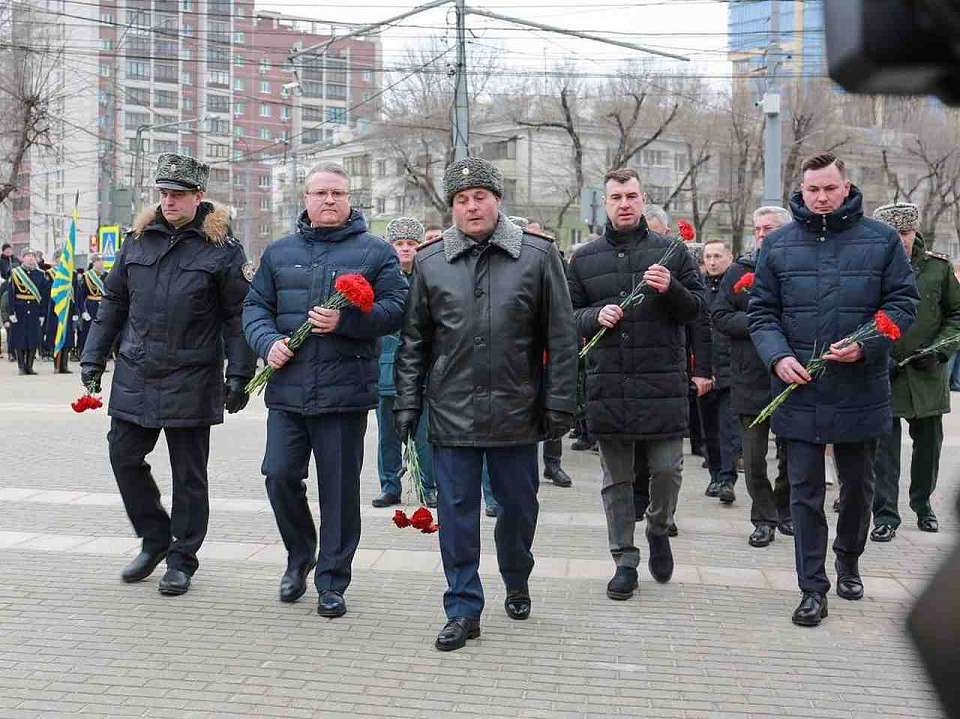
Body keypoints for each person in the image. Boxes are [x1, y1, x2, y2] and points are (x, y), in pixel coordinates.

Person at [394, 156, 577, 651]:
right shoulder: (431, 263)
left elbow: (560, 337)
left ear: (498, 201)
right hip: (452, 413)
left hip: (518, 411)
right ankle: (462, 606)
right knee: (455, 514)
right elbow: (414, 343)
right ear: (452, 207)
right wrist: (407, 404)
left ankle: (516, 576)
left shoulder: (538, 257)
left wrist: (560, 401)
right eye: (461, 199)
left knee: (518, 508)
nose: (471, 207)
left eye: (480, 197)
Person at [748, 152, 919, 627]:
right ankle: (811, 587)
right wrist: (779, 356)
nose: (820, 198)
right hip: (799, 389)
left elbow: (903, 304)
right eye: (811, 190)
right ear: (800, 192)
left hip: (859, 388)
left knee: (859, 489)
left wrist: (866, 345)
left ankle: (848, 559)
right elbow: (762, 312)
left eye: (829, 188)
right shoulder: (778, 245)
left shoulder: (882, 241)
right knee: (803, 492)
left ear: (846, 187)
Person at [80, 153, 256, 596]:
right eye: (164, 193)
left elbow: (237, 316)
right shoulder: (137, 240)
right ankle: (155, 537)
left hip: (193, 375)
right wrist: (92, 358)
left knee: (189, 476)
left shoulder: (222, 250)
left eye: (178, 194)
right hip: (137, 371)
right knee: (123, 456)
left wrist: (239, 375)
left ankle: (182, 558)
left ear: (199, 197)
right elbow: (113, 303)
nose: (169, 201)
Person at [243, 163, 407, 616]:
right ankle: (300, 555)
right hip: (288, 392)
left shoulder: (375, 253)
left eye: (337, 192)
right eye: (320, 193)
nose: (329, 200)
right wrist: (267, 342)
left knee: (338, 491)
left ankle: (332, 580)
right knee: (278, 475)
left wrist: (348, 322)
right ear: (306, 198)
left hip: (343, 394)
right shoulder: (279, 253)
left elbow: (397, 308)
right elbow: (255, 307)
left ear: (350, 197)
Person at [568, 168, 705, 602]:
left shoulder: (672, 252)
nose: (624, 204)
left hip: (661, 382)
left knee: (668, 470)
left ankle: (659, 528)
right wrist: (594, 317)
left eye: (630, 196)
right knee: (617, 480)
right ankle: (624, 560)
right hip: (610, 385)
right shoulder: (584, 258)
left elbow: (698, 310)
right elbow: (568, 317)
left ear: (643, 199)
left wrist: (672, 289)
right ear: (604, 203)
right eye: (615, 197)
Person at [870, 203, 960, 542]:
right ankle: (885, 515)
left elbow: (956, 315)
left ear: (915, 232)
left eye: (905, 234)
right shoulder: (870, 269)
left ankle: (922, 505)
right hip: (885, 373)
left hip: (927, 373)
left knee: (928, 447)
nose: (900, 241)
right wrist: (876, 353)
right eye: (893, 235)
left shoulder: (937, 269)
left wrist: (940, 350)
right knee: (884, 450)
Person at [713, 206, 794, 547]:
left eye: (769, 228)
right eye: (758, 228)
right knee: (755, 459)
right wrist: (760, 325)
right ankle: (762, 518)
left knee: (792, 457)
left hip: (791, 377)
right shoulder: (738, 271)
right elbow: (719, 315)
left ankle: (785, 510)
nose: (762, 234)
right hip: (749, 377)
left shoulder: (798, 268)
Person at [372, 217, 437, 509]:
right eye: (399, 244)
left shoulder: (430, 277)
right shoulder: (380, 279)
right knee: (388, 434)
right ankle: (390, 485)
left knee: (423, 435)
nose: (406, 249)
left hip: (421, 370)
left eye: (412, 244)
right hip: (387, 368)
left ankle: (427, 486)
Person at [700, 239, 740, 503]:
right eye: (708, 257)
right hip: (704, 370)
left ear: (729, 257)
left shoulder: (737, 288)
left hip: (731, 370)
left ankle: (727, 478)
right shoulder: (699, 289)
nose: (712, 262)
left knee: (728, 428)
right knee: (708, 430)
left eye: (717, 256)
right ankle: (715, 475)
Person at [5, 249, 48, 375]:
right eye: (28, 256)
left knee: (33, 338)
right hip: (19, 309)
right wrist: (11, 312)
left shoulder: (40, 274)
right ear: (23, 258)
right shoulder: (15, 273)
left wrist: (42, 313)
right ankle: (21, 367)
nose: (30, 258)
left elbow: (44, 296)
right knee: (20, 339)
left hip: (34, 310)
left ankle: (30, 366)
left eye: (33, 256)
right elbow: (11, 294)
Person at [76, 255, 107, 357]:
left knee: (102, 334)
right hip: (91, 306)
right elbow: (81, 296)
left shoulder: (106, 275)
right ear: (93, 263)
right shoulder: (86, 276)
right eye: (98, 260)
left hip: (103, 307)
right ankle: (86, 355)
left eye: (102, 260)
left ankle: (99, 357)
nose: (101, 262)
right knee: (89, 333)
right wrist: (83, 311)